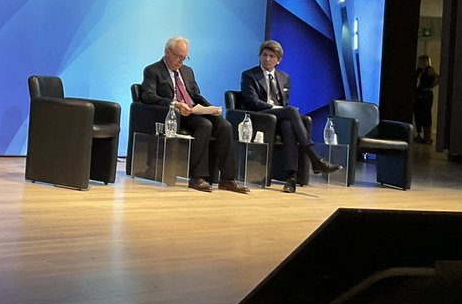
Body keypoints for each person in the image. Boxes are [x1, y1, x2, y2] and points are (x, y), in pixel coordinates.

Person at [140, 36, 249, 194]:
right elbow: (147, 96)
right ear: (167, 52)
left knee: (225, 125)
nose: (181, 61)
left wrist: (210, 107)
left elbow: (196, 95)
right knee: (205, 125)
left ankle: (227, 179)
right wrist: (174, 104)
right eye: (179, 56)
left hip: (192, 111)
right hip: (174, 114)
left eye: (185, 57)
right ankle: (197, 177)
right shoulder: (152, 70)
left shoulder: (187, 71)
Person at [240, 39, 341, 193]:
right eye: (264, 55)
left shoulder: (284, 77)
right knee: (292, 111)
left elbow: (284, 103)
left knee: (288, 127)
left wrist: (280, 109)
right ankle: (314, 157)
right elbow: (252, 101)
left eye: (271, 56)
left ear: (278, 60)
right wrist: (274, 107)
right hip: (260, 116)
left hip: (278, 117)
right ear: (260, 56)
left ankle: (291, 179)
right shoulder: (249, 75)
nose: (267, 59)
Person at [414, 55, 439, 144]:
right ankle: (420, 135)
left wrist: (431, 86)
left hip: (426, 94)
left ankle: (427, 137)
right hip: (419, 93)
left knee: (426, 114)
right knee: (419, 114)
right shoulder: (419, 70)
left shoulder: (429, 69)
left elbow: (438, 78)